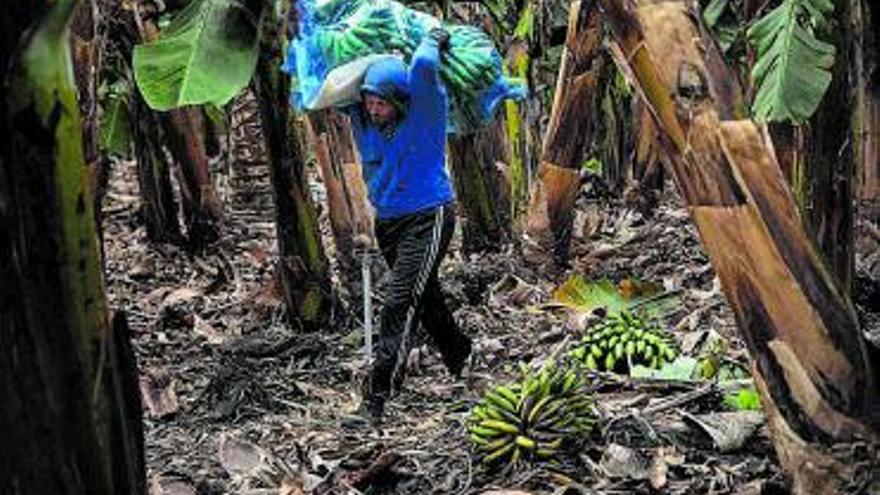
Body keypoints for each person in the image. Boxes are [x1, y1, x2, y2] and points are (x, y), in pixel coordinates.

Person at [343, 27, 472, 424]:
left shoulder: (426, 111)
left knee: (400, 301)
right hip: (389, 223)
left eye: (381, 102)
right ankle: (460, 354)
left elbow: (423, 65)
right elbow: (323, 88)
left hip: (428, 216)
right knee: (425, 295)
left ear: (399, 100)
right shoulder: (362, 120)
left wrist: (433, 37)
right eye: (368, 100)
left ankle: (378, 396)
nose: (373, 108)